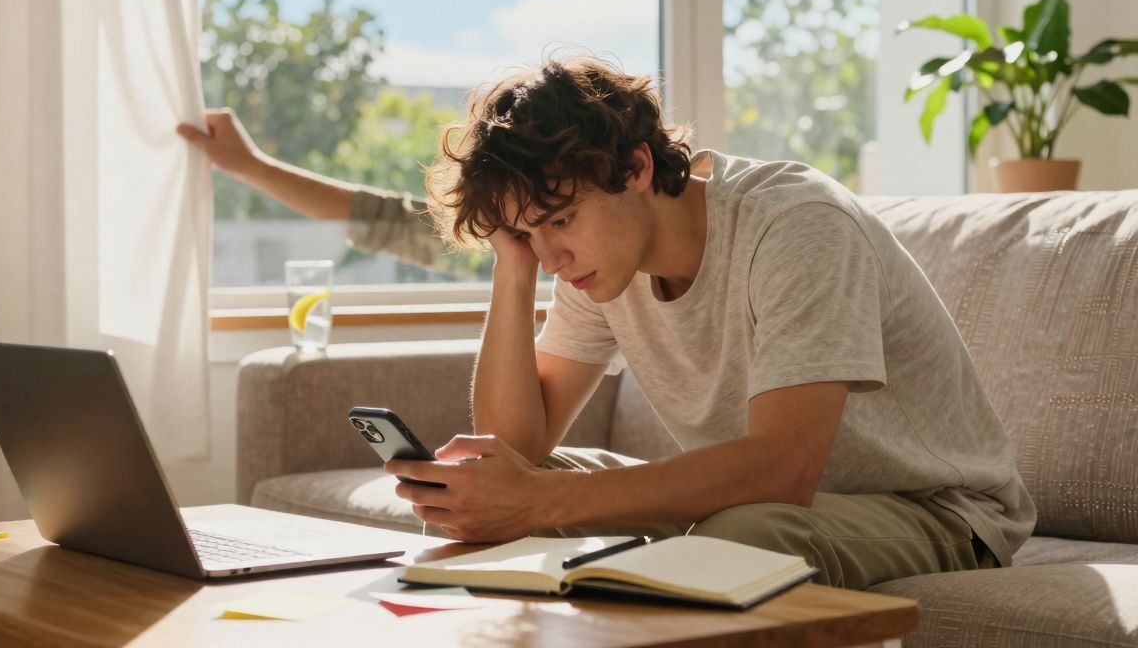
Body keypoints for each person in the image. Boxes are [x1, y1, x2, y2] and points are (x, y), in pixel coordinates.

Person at [361, 56, 1036, 591]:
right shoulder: (591, 265)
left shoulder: (795, 223)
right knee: (488, 487)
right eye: (527, 232)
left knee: (740, 537)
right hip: (756, 502)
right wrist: (513, 264)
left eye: (560, 220)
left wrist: (541, 503)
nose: (553, 255)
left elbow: (785, 468)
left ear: (635, 167)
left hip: (938, 512)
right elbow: (516, 446)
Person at [176, 109, 442, 268]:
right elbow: (401, 224)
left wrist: (253, 167)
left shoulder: (480, 240)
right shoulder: (471, 233)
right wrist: (252, 166)